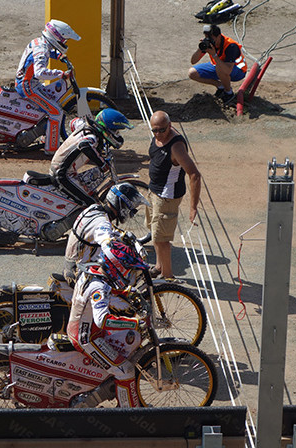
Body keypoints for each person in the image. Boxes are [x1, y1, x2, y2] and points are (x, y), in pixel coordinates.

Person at [67, 241, 147, 408]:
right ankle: (129, 413)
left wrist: (123, 292)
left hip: (83, 327)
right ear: (117, 267)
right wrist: (135, 323)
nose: (129, 273)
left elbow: (105, 289)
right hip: (88, 338)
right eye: (128, 269)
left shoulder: (91, 270)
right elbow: (102, 320)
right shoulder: (99, 288)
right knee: (125, 370)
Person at [145, 111, 202, 282]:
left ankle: (168, 277)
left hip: (166, 197)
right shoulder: (158, 135)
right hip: (154, 191)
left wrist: (193, 208)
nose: (158, 134)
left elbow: (194, 175)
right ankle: (159, 266)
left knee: (162, 239)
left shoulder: (176, 147)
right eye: (154, 130)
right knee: (155, 234)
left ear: (169, 126)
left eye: (162, 130)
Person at [63, 182, 149, 285]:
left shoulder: (95, 208)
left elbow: (106, 230)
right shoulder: (102, 223)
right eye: (129, 208)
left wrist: (122, 235)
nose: (130, 212)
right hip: (80, 273)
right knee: (121, 289)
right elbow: (108, 245)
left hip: (73, 263)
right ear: (121, 205)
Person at [15, 19, 80, 154]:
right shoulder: (42, 49)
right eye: (64, 40)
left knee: (53, 101)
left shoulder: (40, 42)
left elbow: (45, 54)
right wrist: (60, 74)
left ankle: (47, 135)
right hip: (28, 87)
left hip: (28, 83)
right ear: (57, 37)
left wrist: (58, 56)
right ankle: (51, 149)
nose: (65, 43)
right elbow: (40, 72)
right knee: (56, 112)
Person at [49, 108, 133, 207]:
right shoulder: (92, 137)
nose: (117, 135)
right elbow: (84, 145)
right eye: (116, 131)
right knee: (91, 204)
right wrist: (101, 164)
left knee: (92, 194)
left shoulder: (86, 126)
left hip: (68, 172)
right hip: (62, 174)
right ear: (107, 129)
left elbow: (72, 122)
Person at [188, 23, 247, 103]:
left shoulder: (231, 46)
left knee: (220, 69)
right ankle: (220, 86)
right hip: (219, 67)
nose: (210, 42)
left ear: (219, 36)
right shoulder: (211, 44)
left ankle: (228, 92)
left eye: (211, 39)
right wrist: (201, 48)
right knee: (192, 73)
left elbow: (227, 71)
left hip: (238, 71)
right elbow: (193, 61)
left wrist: (214, 55)